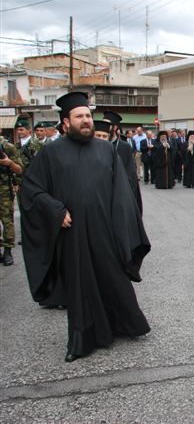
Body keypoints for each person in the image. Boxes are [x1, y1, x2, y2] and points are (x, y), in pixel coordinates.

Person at [19, 92, 151, 362]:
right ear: (65, 123)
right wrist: (55, 210)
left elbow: (122, 191)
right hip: (72, 233)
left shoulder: (106, 150)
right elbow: (31, 190)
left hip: (105, 230)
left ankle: (124, 325)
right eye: (79, 116)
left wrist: (124, 225)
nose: (86, 121)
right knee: (80, 286)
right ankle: (82, 338)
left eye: (88, 116)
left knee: (113, 278)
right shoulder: (50, 153)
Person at [102, 111, 143, 213]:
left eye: (107, 125)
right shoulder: (97, 145)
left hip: (120, 195)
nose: (103, 127)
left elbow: (130, 176)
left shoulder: (125, 147)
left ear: (115, 128)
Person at [0, 134, 24, 266]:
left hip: (4, 191)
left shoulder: (8, 147)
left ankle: (8, 251)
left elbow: (20, 169)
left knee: (7, 221)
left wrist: (9, 163)